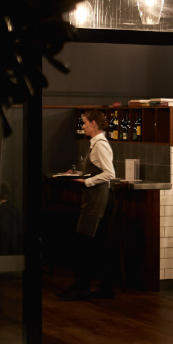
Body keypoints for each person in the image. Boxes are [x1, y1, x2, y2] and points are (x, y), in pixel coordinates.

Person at [58, 110, 116, 300]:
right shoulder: (96, 144)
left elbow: (109, 173)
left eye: (84, 123)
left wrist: (86, 181)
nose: (82, 126)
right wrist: (76, 175)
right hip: (94, 199)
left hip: (98, 199)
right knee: (94, 244)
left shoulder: (100, 145)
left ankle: (83, 287)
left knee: (85, 243)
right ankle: (102, 288)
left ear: (93, 124)